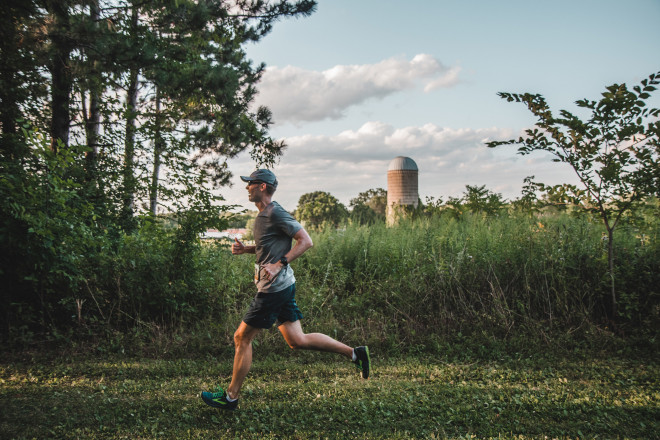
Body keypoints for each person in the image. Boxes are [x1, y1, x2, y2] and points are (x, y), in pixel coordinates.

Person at [201, 169, 370, 410]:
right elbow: (269, 247)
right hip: (282, 286)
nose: (246, 187)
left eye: (250, 184)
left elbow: (306, 241)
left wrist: (280, 264)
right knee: (297, 340)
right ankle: (355, 354)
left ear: (262, 186)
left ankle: (230, 397)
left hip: (273, 289)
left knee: (242, 337)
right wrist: (247, 250)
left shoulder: (275, 213)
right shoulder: (263, 216)